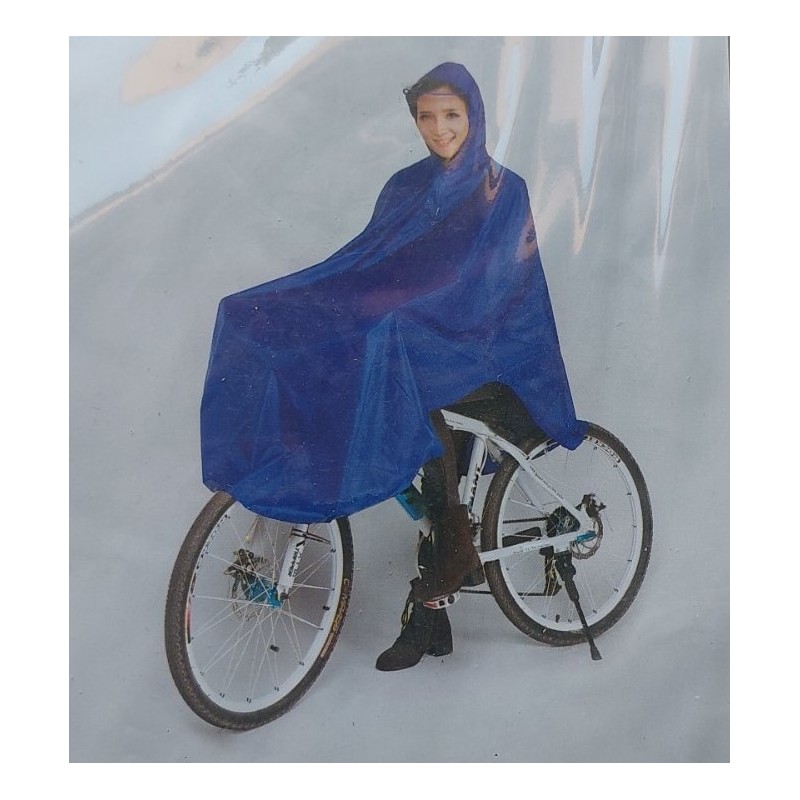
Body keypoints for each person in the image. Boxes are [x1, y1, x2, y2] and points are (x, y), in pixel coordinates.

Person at [199, 62, 585, 672]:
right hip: (417, 336)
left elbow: (490, 288)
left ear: (475, 116)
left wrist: (401, 320)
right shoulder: (406, 186)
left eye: (451, 115)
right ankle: (435, 596)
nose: (439, 128)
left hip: (486, 342)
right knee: (329, 350)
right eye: (426, 117)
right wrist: (318, 308)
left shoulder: (503, 189)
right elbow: (367, 266)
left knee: (399, 367)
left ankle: (453, 542)